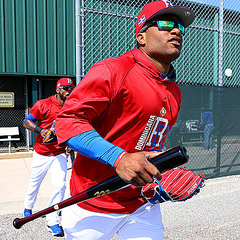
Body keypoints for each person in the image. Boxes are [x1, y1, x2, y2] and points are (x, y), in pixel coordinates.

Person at [55, 1, 195, 239]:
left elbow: (147, 145)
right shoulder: (114, 70)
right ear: (141, 36)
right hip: (95, 202)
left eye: (180, 26)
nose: (176, 30)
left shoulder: (174, 90)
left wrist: (162, 170)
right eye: (165, 23)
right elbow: (67, 121)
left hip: (142, 203)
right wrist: (118, 158)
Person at [23, 78, 75, 237]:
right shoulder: (43, 104)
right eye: (65, 88)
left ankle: (52, 220)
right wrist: (40, 130)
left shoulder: (72, 106)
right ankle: (28, 207)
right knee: (35, 181)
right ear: (58, 89)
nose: (69, 91)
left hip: (59, 152)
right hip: (41, 152)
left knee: (60, 186)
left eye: (71, 88)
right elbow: (26, 122)